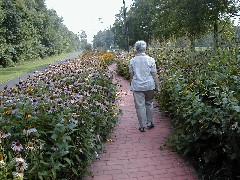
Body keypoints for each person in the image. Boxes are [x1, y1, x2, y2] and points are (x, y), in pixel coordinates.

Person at [129, 40, 160, 132]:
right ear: (145, 49)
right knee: (149, 103)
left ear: (136, 49)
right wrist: (158, 86)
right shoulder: (151, 59)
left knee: (140, 106)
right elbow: (154, 74)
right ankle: (150, 123)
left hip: (137, 86)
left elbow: (131, 75)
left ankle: (142, 126)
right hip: (149, 85)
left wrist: (131, 84)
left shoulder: (132, 61)